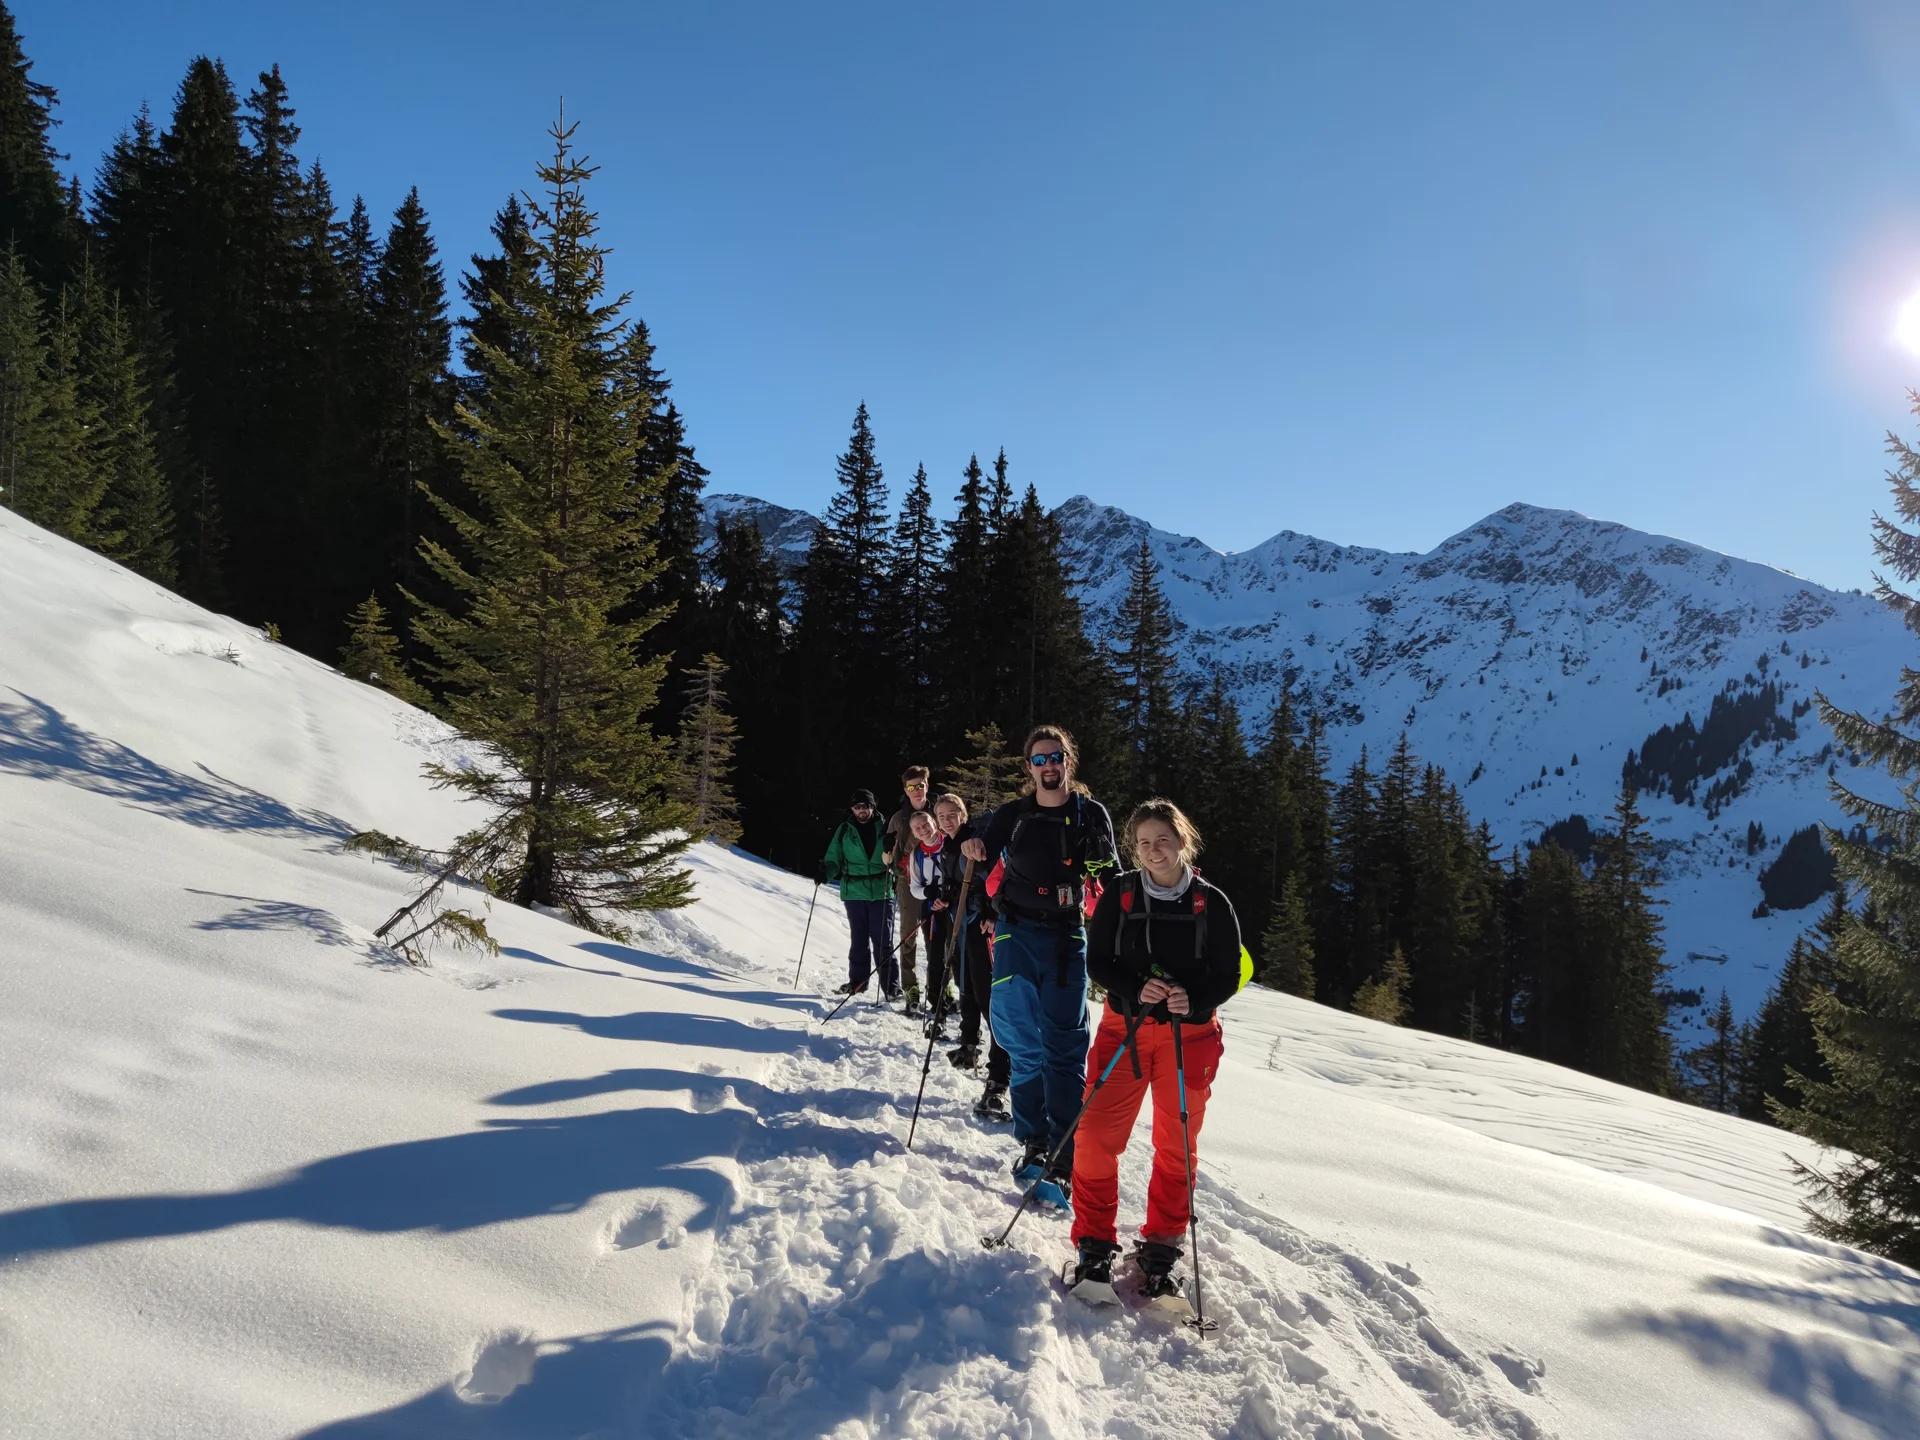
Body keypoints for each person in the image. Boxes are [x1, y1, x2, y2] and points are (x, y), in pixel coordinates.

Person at [1067, 798, 1252, 1309]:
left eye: (1162, 840)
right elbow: (1098, 960)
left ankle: (1161, 1249)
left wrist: (1194, 999)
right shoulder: (1120, 895)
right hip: (1124, 1030)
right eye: (1144, 842)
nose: (1153, 851)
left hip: (1189, 1039)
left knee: (1177, 1145)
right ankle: (1094, 1242)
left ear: (1182, 841)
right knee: (1096, 1136)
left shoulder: (1212, 902)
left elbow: (1229, 972)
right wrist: (1135, 988)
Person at [961, 725, 1118, 1199]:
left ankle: (1063, 1153)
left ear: (1069, 762)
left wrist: (1103, 871)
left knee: (1065, 1045)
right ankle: (1033, 1141)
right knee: (1021, 1038)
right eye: (1039, 759)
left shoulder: (1090, 814)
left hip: (1068, 934)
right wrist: (970, 847)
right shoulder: (1013, 813)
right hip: (1015, 931)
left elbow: (1109, 876)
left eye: (1056, 758)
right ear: (1029, 767)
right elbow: (981, 853)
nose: (1048, 766)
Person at [934, 792, 1010, 1121]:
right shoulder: (949, 845)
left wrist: (992, 912)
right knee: (964, 983)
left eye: (953, 813)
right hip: (961, 922)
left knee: (987, 995)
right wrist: (945, 895)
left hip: (980, 925)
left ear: (963, 815)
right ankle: (969, 1045)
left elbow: (994, 880)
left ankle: (1000, 1073)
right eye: (942, 815)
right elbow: (954, 880)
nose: (947, 819)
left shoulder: (976, 841)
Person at [821, 790, 898, 997]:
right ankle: (857, 983)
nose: (861, 811)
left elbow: (898, 855)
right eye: (857, 807)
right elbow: (833, 857)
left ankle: (891, 987)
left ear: (873, 807)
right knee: (859, 940)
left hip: (882, 891)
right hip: (854, 892)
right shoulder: (845, 830)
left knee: (884, 941)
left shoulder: (886, 827)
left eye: (865, 806)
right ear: (852, 809)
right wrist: (825, 872)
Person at [903, 809, 958, 1035]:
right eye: (917, 828)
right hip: (932, 911)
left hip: (955, 908)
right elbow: (914, 887)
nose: (923, 830)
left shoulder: (952, 843)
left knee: (958, 958)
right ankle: (937, 1012)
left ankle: (958, 1001)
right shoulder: (916, 854)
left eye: (925, 824)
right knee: (935, 958)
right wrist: (930, 893)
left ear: (934, 823)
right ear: (914, 833)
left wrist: (948, 896)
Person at [885, 766, 935, 1013]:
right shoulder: (898, 819)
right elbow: (887, 861)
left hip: (937, 879)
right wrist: (887, 850)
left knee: (937, 935)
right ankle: (910, 986)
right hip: (907, 880)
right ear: (906, 790)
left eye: (920, 785)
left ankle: (940, 986)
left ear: (927, 785)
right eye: (911, 787)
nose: (916, 791)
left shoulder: (939, 811)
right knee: (908, 934)